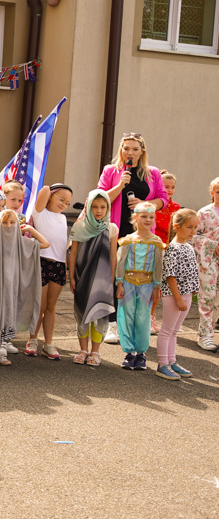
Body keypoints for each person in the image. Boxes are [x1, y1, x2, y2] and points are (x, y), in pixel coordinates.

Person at [97, 133, 169, 343]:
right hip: (116, 231)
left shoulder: (153, 173)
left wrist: (144, 204)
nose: (130, 152)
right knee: (114, 275)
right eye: (126, 148)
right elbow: (99, 198)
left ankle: (134, 323)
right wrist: (119, 186)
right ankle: (112, 325)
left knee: (139, 277)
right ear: (121, 150)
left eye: (135, 149)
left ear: (142, 151)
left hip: (143, 233)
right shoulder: (111, 171)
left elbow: (163, 199)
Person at [0, 209, 46, 369]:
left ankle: (1, 351)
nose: (9, 225)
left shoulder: (21, 242)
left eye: (12, 222)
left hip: (11, 289)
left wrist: (30, 230)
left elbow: (45, 244)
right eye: (5, 222)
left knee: (6, 318)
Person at [68, 190, 118, 367]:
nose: (98, 210)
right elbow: (73, 253)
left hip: (103, 280)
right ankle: (82, 349)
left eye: (103, 207)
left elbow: (113, 255)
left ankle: (95, 351)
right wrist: (72, 276)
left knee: (100, 314)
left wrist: (112, 280)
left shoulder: (111, 228)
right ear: (88, 207)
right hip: (82, 276)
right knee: (82, 312)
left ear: (108, 208)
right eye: (95, 207)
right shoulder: (79, 227)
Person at [25, 184, 72, 360]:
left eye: (67, 202)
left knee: (51, 306)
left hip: (58, 266)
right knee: (40, 305)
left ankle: (49, 343)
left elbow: (62, 245)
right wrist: (54, 189)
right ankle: (32, 339)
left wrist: (65, 267)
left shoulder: (62, 218)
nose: (64, 204)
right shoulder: (40, 213)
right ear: (51, 196)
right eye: (61, 199)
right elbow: (44, 189)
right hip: (41, 262)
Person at [116, 202, 165, 370]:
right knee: (126, 316)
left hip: (147, 285)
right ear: (135, 218)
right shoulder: (128, 240)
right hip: (128, 283)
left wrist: (157, 286)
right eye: (144, 216)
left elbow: (158, 265)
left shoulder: (156, 242)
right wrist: (119, 283)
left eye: (151, 217)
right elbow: (120, 262)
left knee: (143, 318)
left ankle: (141, 353)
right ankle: (129, 352)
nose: (148, 219)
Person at [156, 209, 200, 379]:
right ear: (177, 227)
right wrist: (179, 298)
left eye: (195, 227)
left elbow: (191, 270)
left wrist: (193, 288)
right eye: (190, 227)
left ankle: (171, 361)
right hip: (174, 296)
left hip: (186, 295)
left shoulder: (188, 247)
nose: (193, 231)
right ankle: (162, 364)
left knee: (174, 331)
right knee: (167, 330)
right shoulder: (172, 249)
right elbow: (170, 276)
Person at [150, 170, 181, 333]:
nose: (169, 190)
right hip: (152, 248)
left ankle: (151, 314)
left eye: (172, 187)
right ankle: (145, 315)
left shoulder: (176, 208)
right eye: (166, 186)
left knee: (161, 286)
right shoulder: (153, 205)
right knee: (150, 283)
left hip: (169, 250)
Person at [191, 177, 219, 351]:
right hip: (208, 262)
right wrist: (212, 245)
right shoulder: (204, 213)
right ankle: (205, 335)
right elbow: (194, 236)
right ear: (212, 192)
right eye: (218, 191)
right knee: (207, 297)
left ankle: (211, 329)